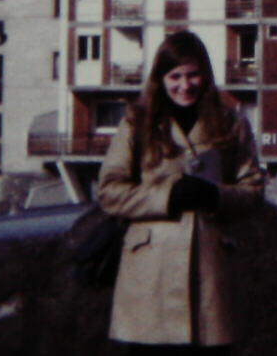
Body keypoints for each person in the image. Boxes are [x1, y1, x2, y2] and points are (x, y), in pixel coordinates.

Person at [98, 31, 265, 354]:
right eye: (175, 76)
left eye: (193, 75)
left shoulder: (232, 123)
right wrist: (166, 198)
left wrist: (215, 196)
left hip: (211, 276)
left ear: (205, 75)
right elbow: (109, 191)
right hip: (150, 278)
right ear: (160, 79)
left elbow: (254, 191)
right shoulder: (136, 123)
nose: (184, 85)